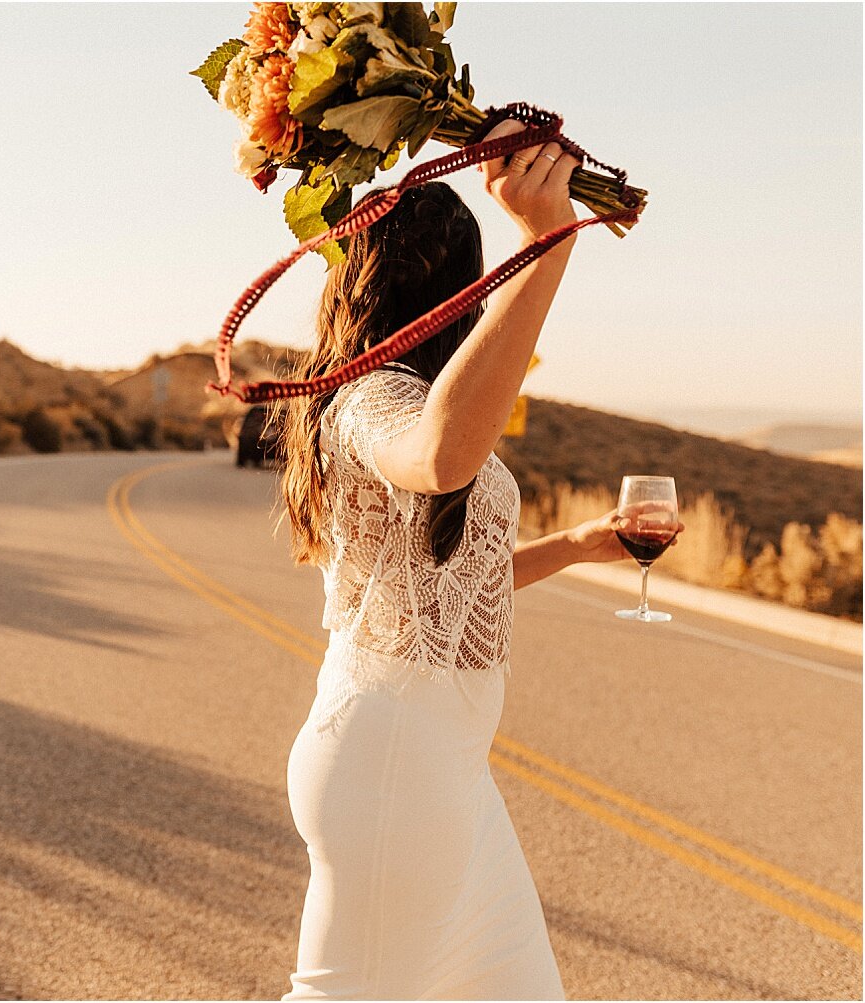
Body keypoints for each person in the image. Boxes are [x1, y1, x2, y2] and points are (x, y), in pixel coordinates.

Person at [274, 120, 684, 999]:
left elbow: (447, 585)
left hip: (443, 763)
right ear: (455, 290)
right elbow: (441, 458)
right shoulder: (368, 398)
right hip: (392, 765)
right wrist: (544, 242)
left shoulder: (411, 396)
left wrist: (582, 546)